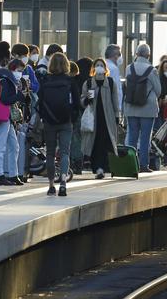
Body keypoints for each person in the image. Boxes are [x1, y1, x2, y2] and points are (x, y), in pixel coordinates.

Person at [38, 53, 75, 196]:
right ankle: (64, 182)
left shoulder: (45, 81)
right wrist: (73, 117)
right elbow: (76, 103)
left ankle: (51, 185)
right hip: (66, 121)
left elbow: (40, 103)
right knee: (65, 152)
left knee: (50, 154)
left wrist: (44, 117)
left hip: (49, 122)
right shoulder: (70, 82)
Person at [123, 43, 161, 172]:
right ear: (148, 55)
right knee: (145, 137)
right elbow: (158, 90)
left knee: (132, 137)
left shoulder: (129, 68)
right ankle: (143, 165)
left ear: (136, 54)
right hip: (147, 108)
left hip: (131, 106)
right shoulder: (152, 70)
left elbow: (128, 85)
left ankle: (130, 165)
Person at [0, 46, 24, 185]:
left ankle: (13, 174)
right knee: (1, 145)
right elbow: (5, 99)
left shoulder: (9, 79)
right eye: (20, 71)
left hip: (6, 118)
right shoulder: (4, 79)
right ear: (13, 68)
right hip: (2, 116)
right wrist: (18, 96)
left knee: (14, 145)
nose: (20, 74)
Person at [81, 58, 121, 178]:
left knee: (105, 142)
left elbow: (115, 100)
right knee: (94, 143)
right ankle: (97, 167)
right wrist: (87, 99)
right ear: (93, 68)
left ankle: (102, 167)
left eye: (101, 65)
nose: (99, 67)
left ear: (105, 69)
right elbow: (82, 99)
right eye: (97, 65)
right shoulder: (88, 83)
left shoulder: (110, 82)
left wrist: (117, 116)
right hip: (93, 118)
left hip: (107, 118)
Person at [104, 44, 123, 111]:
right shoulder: (113, 69)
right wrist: (118, 107)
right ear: (115, 55)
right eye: (119, 54)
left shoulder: (102, 65)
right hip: (111, 106)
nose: (120, 57)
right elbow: (117, 89)